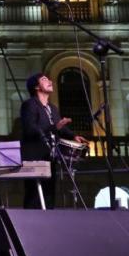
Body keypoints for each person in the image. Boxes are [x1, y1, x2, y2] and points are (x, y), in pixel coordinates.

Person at [20, 73, 88, 209]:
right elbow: (30, 129)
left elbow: (60, 127)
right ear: (36, 87)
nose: (50, 81)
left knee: (49, 193)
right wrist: (54, 127)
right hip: (35, 156)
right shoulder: (30, 105)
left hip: (50, 156)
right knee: (34, 195)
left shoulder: (53, 108)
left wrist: (73, 136)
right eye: (44, 79)